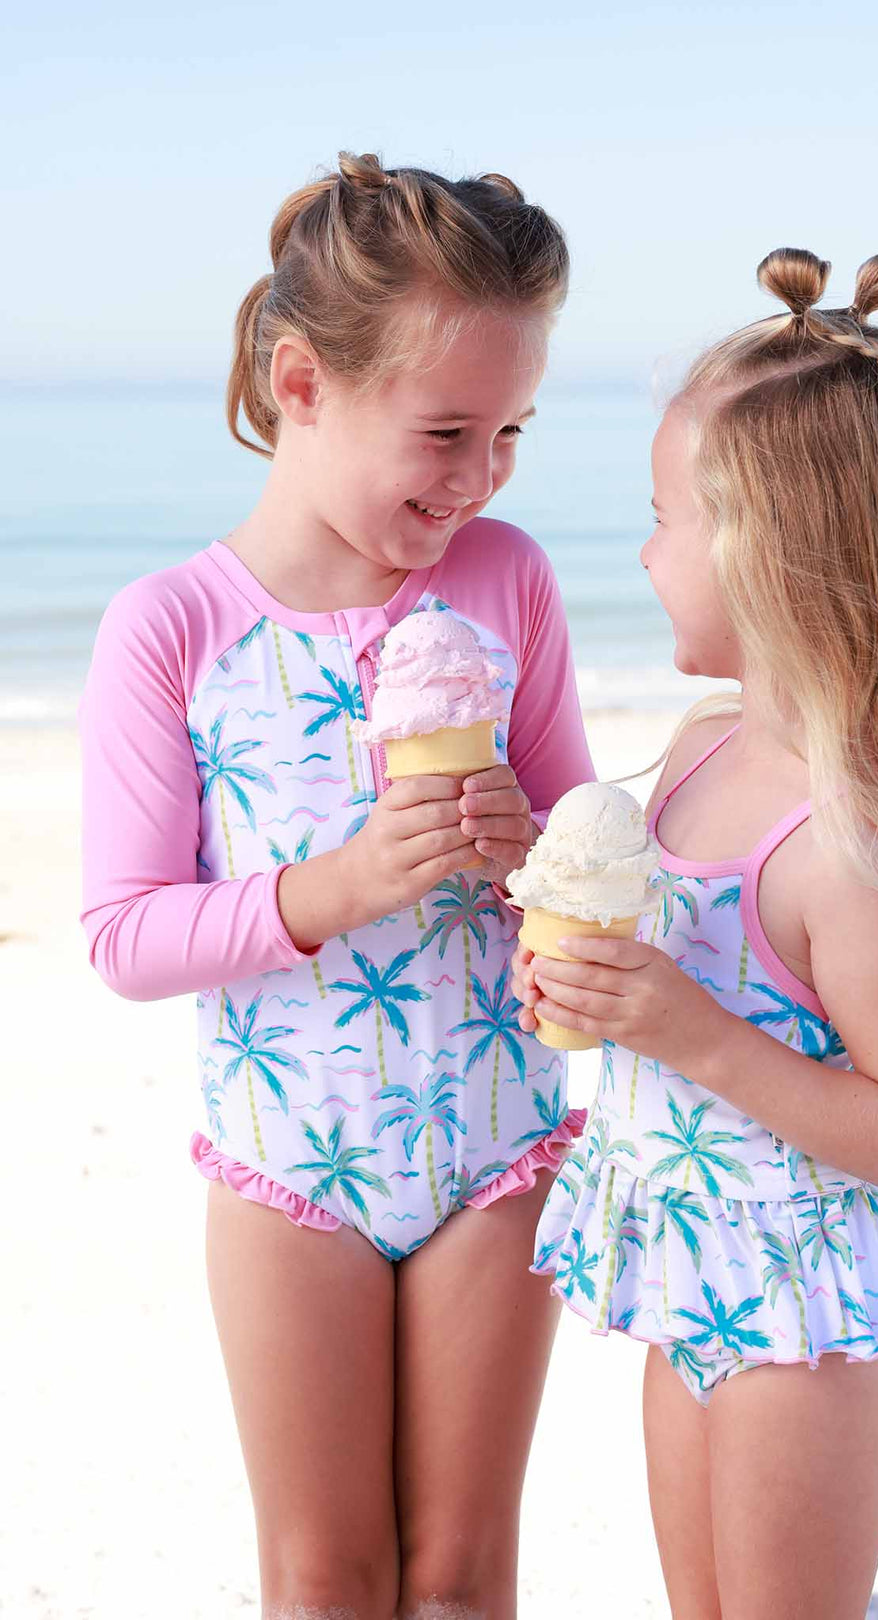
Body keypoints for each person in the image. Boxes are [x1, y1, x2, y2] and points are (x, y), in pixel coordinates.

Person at [80, 151, 593, 1620]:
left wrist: (531, 848)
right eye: (444, 433)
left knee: (456, 1578)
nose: (479, 479)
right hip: (286, 1167)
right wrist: (347, 881)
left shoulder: (506, 581)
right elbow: (124, 935)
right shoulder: (170, 628)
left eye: (510, 434)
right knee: (325, 1580)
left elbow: (578, 852)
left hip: (500, 1150)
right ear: (300, 383)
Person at [517, 249, 878, 1620]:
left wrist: (689, 1029)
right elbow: (660, 985)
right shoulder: (695, 751)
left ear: (770, 553)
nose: (641, 550)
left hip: (809, 1323)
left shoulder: (845, 842)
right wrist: (574, 976)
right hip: (692, 1276)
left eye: (665, 517)